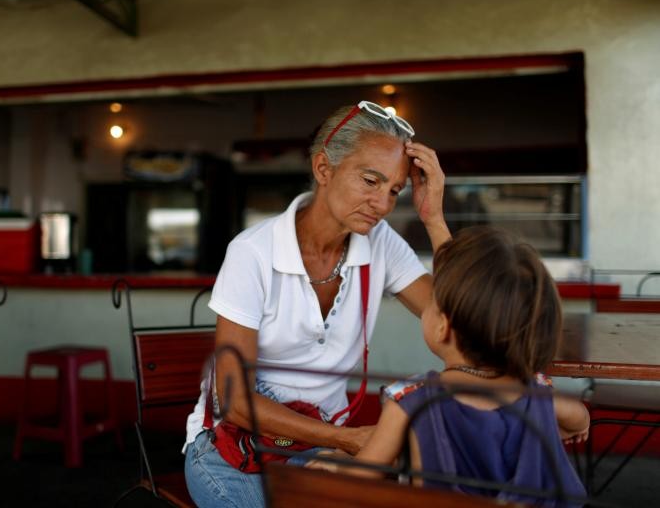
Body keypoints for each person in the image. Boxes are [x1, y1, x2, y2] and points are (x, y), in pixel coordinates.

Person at [184, 100, 451, 507]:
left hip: (317, 446)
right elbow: (233, 400)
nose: (382, 205)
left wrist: (433, 219)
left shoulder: (381, 245)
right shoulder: (253, 253)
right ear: (324, 169)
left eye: (394, 190)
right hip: (232, 450)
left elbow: (454, 318)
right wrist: (347, 439)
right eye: (370, 181)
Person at [308, 226, 589, 506]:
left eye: (431, 301)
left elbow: (367, 472)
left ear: (443, 326)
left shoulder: (412, 398)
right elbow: (579, 419)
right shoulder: (535, 392)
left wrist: (336, 463)